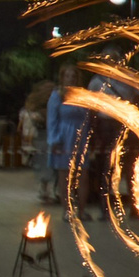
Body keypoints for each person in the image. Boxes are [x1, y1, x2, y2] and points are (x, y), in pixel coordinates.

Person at [47, 67, 90, 218]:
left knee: (83, 174)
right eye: (68, 76)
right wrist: (54, 139)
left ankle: (82, 211)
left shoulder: (82, 95)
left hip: (81, 136)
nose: (70, 79)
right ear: (63, 77)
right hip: (64, 136)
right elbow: (52, 119)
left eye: (73, 76)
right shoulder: (57, 95)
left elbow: (88, 117)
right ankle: (67, 210)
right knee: (64, 175)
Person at [20, 80, 51, 198]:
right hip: (42, 136)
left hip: (46, 136)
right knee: (44, 162)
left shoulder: (52, 101)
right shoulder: (36, 105)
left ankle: (47, 187)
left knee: (47, 162)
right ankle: (44, 187)